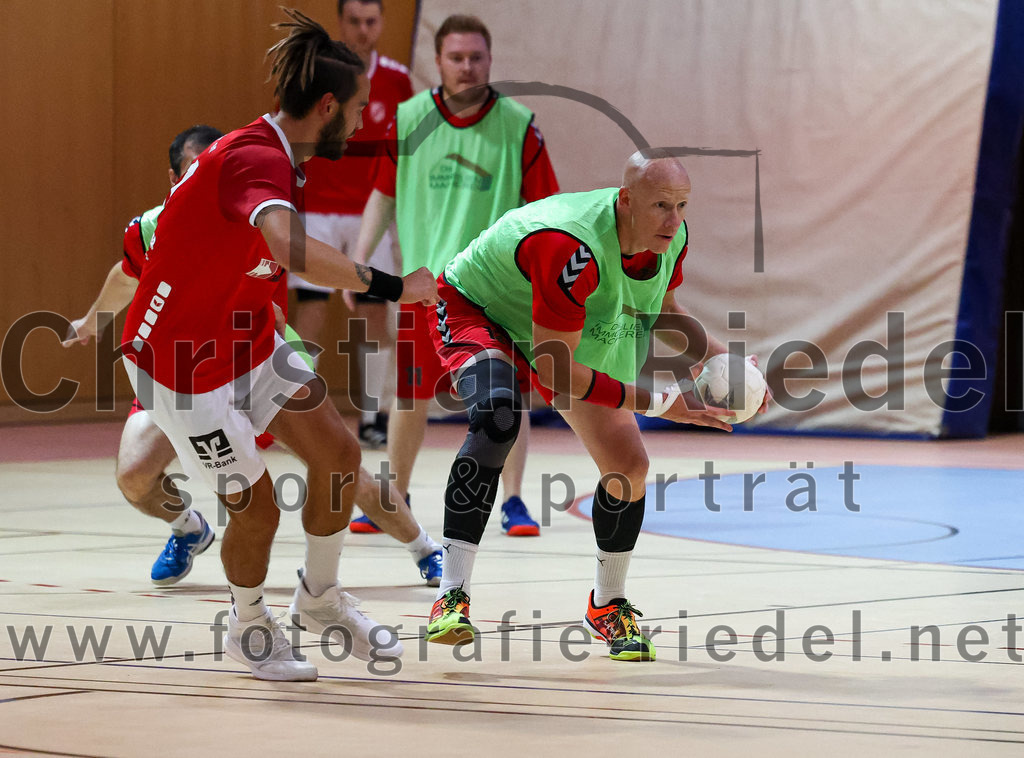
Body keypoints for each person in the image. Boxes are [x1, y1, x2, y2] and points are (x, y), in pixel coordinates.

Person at [119, 9, 438, 682]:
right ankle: (248, 626)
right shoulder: (254, 157)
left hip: (245, 338)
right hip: (179, 368)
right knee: (257, 507)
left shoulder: (282, 157)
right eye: (352, 111)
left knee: (341, 454)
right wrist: (392, 284)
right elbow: (290, 250)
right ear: (326, 107)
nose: (355, 125)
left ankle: (319, 601)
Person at [423, 151, 769, 662]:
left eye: (681, 206)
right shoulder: (570, 246)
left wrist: (728, 366)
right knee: (499, 417)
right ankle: (451, 595)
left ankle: (607, 604)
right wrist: (661, 403)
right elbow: (556, 371)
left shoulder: (671, 240)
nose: (673, 220)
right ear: (626, 200)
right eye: (660, 206)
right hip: (481, 308)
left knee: (628, 466)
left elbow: (666, 310)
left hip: (558, 327)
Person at [64, 126, 444, 590]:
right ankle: (188, 529)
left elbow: (288, 283)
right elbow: (126, 277)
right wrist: (91, 321)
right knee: (134, 476)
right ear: (175, 178)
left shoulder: (265, 218)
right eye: (194, 171)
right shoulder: (151, 228)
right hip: (182, 370)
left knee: (341, 462)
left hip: (254, 356)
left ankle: (426, 549)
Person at [348, 13, 559, 536]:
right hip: (425, 288)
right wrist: (358, 265)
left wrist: (549, 281)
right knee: (410, 394)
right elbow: (382, 194)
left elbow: (548, 211)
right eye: (456, 58)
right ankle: (394, 496)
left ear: (490, 60)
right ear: (438, 61)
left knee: (507, 398)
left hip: (497, 291)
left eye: (476, 57)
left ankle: (513, 502)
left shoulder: (518, 124)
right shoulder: (411, 117)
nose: (467, 67)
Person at [288, 0, 412, 451]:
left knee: (374, 313)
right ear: (341, 23)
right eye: (355, 21)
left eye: (371, 21)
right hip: (317, 207)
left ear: (381, 24)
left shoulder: (397, 79)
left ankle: (372, 418)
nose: (363, 30)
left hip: (369, 213)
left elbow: (406, 147)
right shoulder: (319, 70)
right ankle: (292, 408)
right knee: (311, 309)